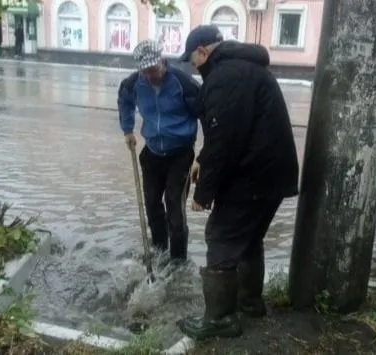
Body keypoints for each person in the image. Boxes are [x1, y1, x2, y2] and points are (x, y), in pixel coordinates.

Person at [177, 25, 299, 339]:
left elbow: (225, 140)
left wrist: (203, 194)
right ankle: (249, 303)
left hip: (253, 176)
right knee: (248, 240)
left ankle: (219, 319)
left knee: (219, 237)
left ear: (203, 51)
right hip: (273, 175)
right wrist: (201, 160)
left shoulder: (225, 77)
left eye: (193, 60)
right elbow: (233, 128)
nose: (194, 68)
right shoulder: (245, 68)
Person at [117, 39, 201, 265]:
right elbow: (124, 100)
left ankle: (178, 260)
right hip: (152, 152)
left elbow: (204, 111)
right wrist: (127, 130)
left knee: (175, 208)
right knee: (152, 204)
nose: (149, 76)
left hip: (180, 154)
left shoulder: (183, 83)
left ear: (163, 62)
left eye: (153, 70)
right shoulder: (134, 83)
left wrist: (202, 157)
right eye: (144, 71)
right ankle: (159, 250)